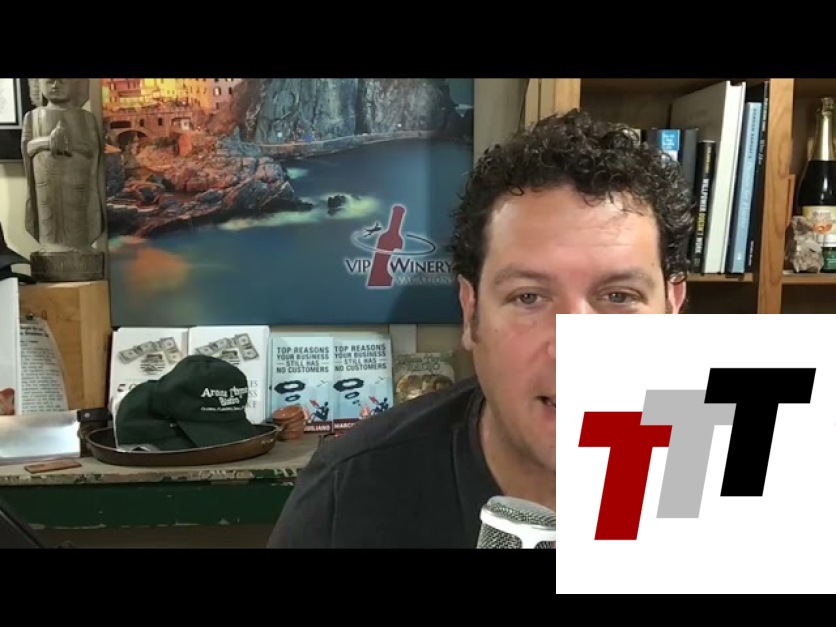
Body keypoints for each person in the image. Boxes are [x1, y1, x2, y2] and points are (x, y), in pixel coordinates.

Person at [266, 108, 695, 548]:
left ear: (672, 311)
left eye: (619, 297)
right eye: (528, 297)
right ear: (471, 312)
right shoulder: (349, 493)